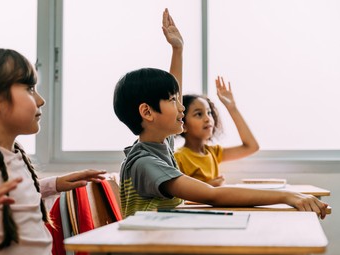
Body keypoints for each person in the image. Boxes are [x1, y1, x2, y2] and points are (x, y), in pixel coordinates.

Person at [113, 10, 328, 219]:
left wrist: (177, 50)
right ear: (147, 112)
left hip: (165, 239)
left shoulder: (159, 145)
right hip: (151, 251)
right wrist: (286, 196)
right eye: (172, 101)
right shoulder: (144, 163)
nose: (181, 108)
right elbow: (212, 195)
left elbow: (174, 88)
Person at [0, 48, 106, 255]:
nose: (40, 100)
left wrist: (55, 184)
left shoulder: (14, 153)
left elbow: (12, 197)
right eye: (30, 89)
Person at [174, 78, 259, 186]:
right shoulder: (179, 158)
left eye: (209, 113)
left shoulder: (213, 152)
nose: (207, 118)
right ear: (183, 124)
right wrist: (210, 186)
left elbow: (251, 147)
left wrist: (232, 107)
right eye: (199, 114)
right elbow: (178, 195)